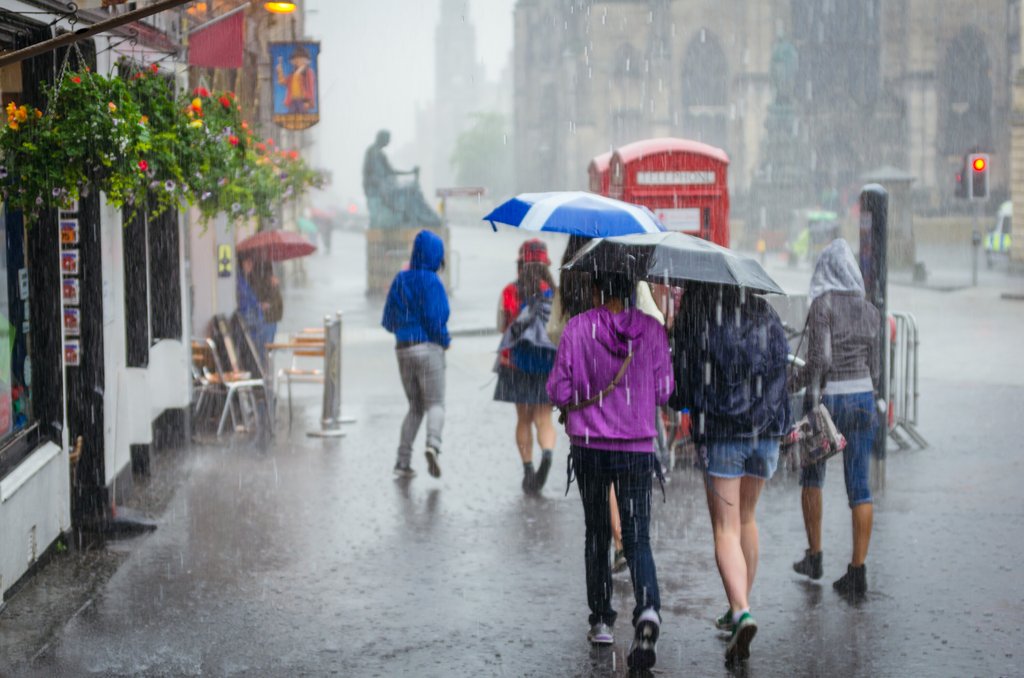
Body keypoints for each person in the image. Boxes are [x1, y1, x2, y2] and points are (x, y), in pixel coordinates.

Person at [547, 271, 673, 672]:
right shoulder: (652, 331)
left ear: (599, 289)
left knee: (598, 530)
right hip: (636, 447)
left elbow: (559, 391)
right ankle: (648, 607)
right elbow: (665, 390)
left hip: (589, 448)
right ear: (633, 289)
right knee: (636, 538)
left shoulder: (578, 328)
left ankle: (601, 620)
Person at [669, 282, 790, 665]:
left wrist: (680, 399)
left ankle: (740, 610)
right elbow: (780, 367)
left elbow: (683, 384)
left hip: (724, 433)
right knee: (748, 519)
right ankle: (740, 607)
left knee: (725, 528)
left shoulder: (699, 317)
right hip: (766, 430)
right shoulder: (765, 314)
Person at [793, 238, 881, 598]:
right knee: (859, 486)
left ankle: (814, 556)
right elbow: (875, 368)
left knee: (812, 476)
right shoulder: (870, 309)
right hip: (863, 399)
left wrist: (792, 382)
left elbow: (820, 362)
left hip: (829, 401)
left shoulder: (822, 305)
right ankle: (857, 572)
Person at [382, 230, 451, 479]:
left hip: (403, 349)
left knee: (414, 407)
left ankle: (402, 461)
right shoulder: (432, 282)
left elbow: (387, 320)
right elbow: (436, 319)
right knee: (435, 404)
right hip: (428, 348)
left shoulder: (400, 279)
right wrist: (444, 341)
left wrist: (404, 330)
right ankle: (433, 445)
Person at [495, 239, 558, 494]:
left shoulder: (510, 291)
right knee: (544, 418)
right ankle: (548, 454)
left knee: (523, 418)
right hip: (546, 362)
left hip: (515, 363)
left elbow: (502, 326)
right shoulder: (554, 292)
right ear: (546, 265)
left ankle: (529, 469)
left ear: (521, 263)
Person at [276, 45, 317, 114]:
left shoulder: (309, 73)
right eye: (296, 59)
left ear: (306, 60)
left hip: (303, 100)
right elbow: (282, 82)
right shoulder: (293, 74)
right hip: (293, 100)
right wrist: (280, 71)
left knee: (303, 117)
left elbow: (310, 88)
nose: (298, 61)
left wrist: (308, 101)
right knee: (291, 117)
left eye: (300, 58)